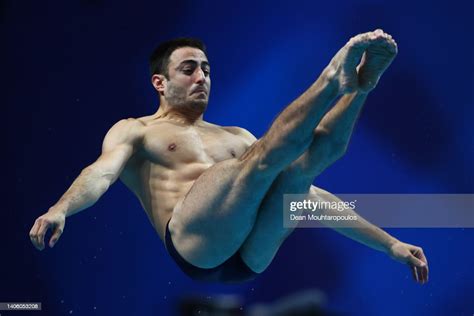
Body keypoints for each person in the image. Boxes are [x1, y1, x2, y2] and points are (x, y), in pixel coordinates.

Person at [29, 29, 429, 284]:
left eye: (206, 68)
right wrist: (61, 208)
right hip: (194, 244)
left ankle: (361, 86)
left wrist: (389, 244)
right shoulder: (136, 130)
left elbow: (314, 201)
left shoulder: (235, 137)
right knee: (262, 159)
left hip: (248, 262)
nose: (202, 76)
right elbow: (100, 173)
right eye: (189, 69)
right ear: (160, 82)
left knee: (301, 175)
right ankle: (331, 80)